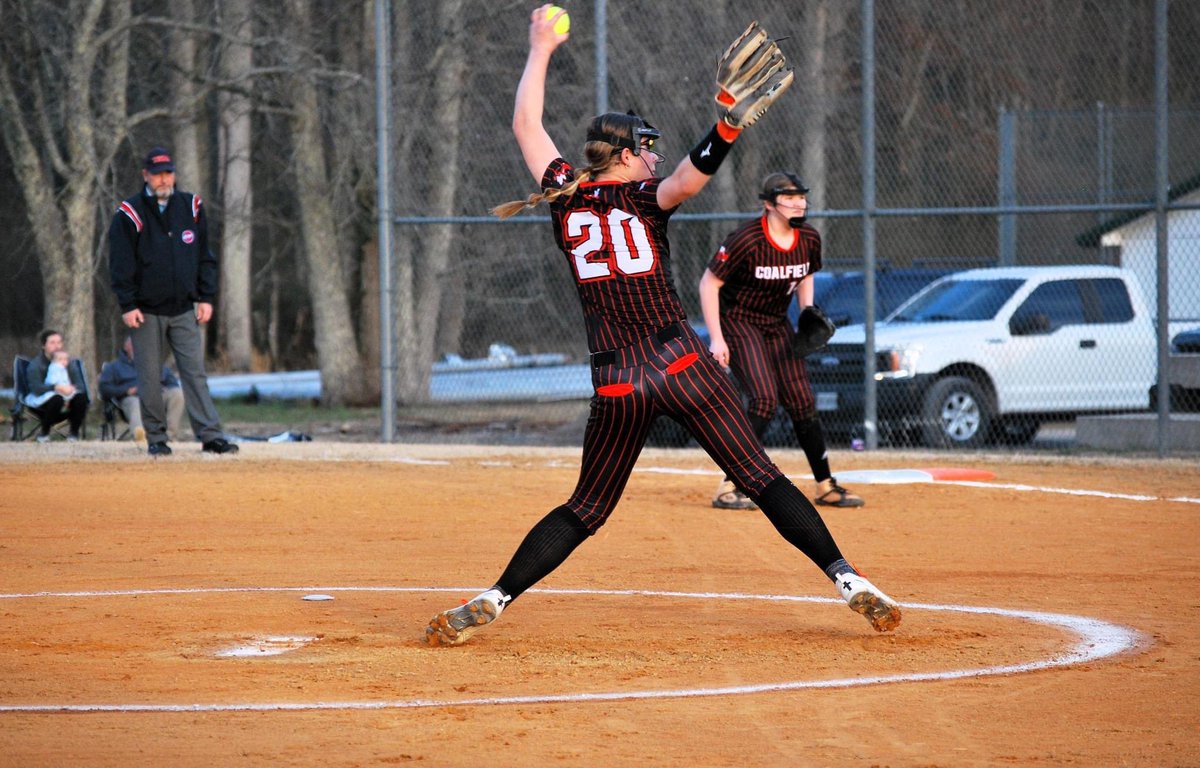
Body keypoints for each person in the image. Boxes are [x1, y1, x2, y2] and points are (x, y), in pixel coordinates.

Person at [425, 8, 900, 647]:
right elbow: (689, 177)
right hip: (681, 365)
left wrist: (539, 47)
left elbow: (525, 124)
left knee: (586, 509)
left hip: (618, 382)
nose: (650, 156)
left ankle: (494, 596)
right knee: (761, 478)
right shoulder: (645, 199)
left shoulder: (565, 195)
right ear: (621, 156)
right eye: (642, 147)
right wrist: (727, 124)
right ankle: (848, 579)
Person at [699, 172, 864, 510]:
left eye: (801, 197)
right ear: (768, 204)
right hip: (740, 321)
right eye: (788, 198)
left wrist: (806, 311)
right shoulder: (747, 239)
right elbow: (708, 284)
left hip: (777, 324)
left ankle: (825, 485)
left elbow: (806, 273)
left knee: (803, 401)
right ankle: (730, 484)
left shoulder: (808, 238)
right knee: (763, 399)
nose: (797, 203)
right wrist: (717, 339)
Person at [108, 146, 237, 457]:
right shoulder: (130, 212)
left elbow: (205, 256)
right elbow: (121, 263)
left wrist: (205, 297)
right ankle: (156, 438)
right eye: (157, 174)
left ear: (174, 174)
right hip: (145, 311)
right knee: (150, 376)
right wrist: (128, 304)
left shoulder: (191, 206)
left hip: (183, 308)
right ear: (146, 176)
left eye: (168, 173)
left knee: (194, 372)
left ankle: (210, 435)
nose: (163, 179)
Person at [99, 336, 186, 443]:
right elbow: (104, 389)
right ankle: (140, 436)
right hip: (131, 399)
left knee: (177, 393)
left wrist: (160, 388)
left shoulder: (156, 365)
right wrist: (126, 390)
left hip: (156, 398)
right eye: (135, 343)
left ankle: (169, 435)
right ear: (126, 347)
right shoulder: (114, 367)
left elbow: (173, 384)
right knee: (135, 402)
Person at [22, 329, 89, 442]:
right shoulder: (35, 365)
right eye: (52, 343)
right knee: (56, 399)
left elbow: (81, 385)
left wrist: (70, 389)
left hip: (68, 399)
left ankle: (73, 434)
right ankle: (44, 433)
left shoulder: (69, 363)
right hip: (43, 402)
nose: (57, 346)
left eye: (59, 342)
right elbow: (36, 388)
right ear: (44, 345)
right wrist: (55, 387)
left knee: (81, 398)